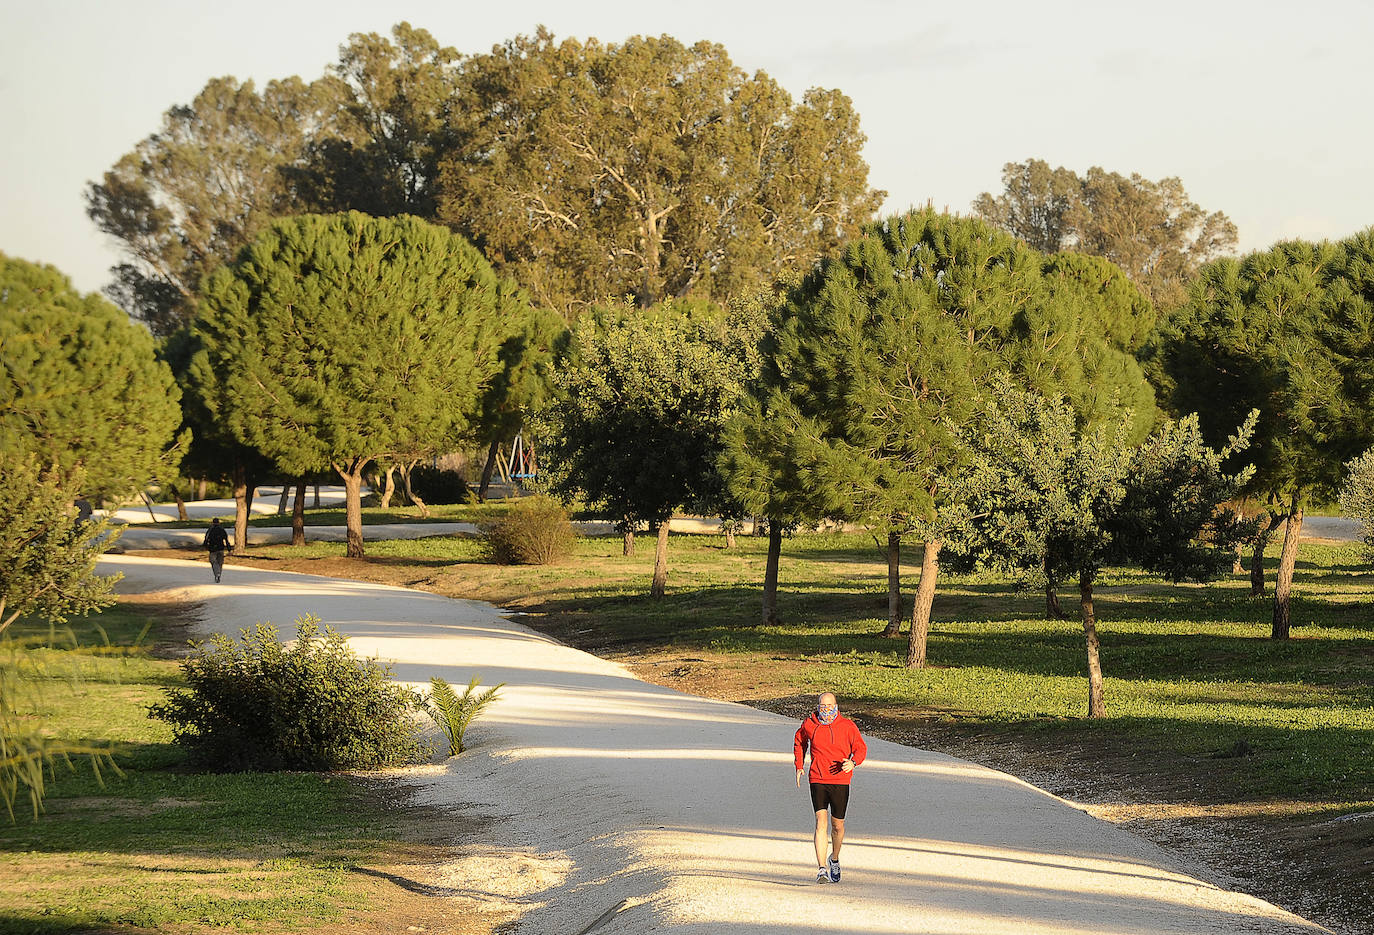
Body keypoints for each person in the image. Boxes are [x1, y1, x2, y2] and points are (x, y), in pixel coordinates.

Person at [794, 691, 867, 883]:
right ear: (818, 707)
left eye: (830, 706)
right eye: (822, 706)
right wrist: (799, 766)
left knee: (837, 825)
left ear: (836, 707)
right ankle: (821, 869)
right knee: (821, 822)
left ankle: (834, 858)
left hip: (840, 780)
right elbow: (800, 741)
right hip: (817, 778)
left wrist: (853, 762)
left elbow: (860, 748)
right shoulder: (810, 724)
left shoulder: (847, 726)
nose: (826, 710)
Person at [203, 517, 230, 583]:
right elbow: (226, 539)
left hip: (212, 549)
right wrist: (229, 549)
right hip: (221, 548)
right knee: (220, 563)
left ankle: (216, 574)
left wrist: (205, 546)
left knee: (213, 562)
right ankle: (219, 574)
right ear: (219, 523)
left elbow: (206, 539)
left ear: (213, 523)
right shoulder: (222, 530)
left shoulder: (210, 530)